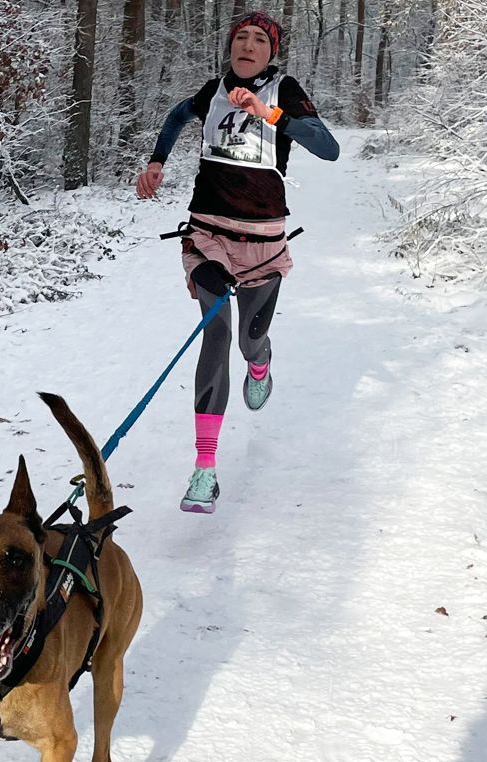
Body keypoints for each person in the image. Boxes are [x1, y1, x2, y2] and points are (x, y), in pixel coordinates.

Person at [135, 10, 339, 514]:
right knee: (216, 331)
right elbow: (177, 116)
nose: (247, 46)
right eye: (240, 38)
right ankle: (205, 469)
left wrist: (271, 118)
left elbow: (328, 149)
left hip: (263, 241)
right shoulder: (213, 90)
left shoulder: (282, 91)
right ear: (229, 47)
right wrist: (157, 160)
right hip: (207, 235)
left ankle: (261, 362)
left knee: (248, 339)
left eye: (258, 40)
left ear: (272, 51)